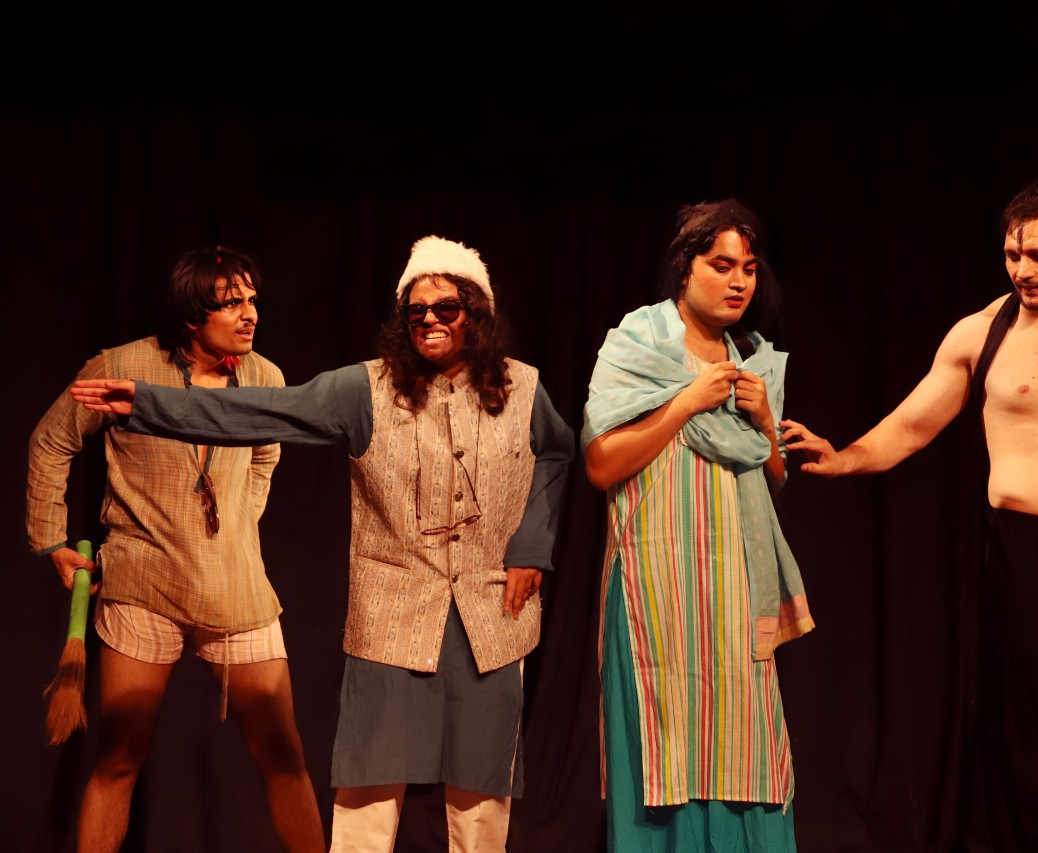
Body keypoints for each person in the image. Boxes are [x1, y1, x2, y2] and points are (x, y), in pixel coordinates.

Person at [70, 235, 575, 853]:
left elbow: (556, 452)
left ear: (477, 312)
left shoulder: (523, 389)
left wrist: (532, 546)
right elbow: (263, 411)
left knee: (481, 784)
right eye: (416, 311)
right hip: (394, 613)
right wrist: (150, 405)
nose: (430, 321)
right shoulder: (366, 389)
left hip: (489, 612)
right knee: (370, 786)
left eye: (447, 307)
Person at [782, 180, 1038, 852]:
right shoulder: (984, 333)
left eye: (1037, 255)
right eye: (1011, 255)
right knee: (1028, 734)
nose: (1021, 270)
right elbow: (913, 425)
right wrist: (846, 457)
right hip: (1030, 552)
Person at [27, 246, 326, 852]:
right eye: (231, 303)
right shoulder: (122, 366)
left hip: (236, 586)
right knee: (118, 759)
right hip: (145, 581)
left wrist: (238, 522)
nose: (250, 314)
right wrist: (50, 539)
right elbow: (51, 441)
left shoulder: (264, 377)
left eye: (252, 300)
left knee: (284, 754)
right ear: (192, 316)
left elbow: (266, 454)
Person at [582, 199, 815, 851]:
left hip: (735, 595)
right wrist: (685, 402)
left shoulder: (754, 361)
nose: (739, 281)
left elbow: (774, 477)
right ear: (685, 268)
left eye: (749, 268)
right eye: (722, 265)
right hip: (656, 591)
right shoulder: (638, 343)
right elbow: (601, 463)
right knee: (662, 750)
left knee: (747, 748)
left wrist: (765, 421)